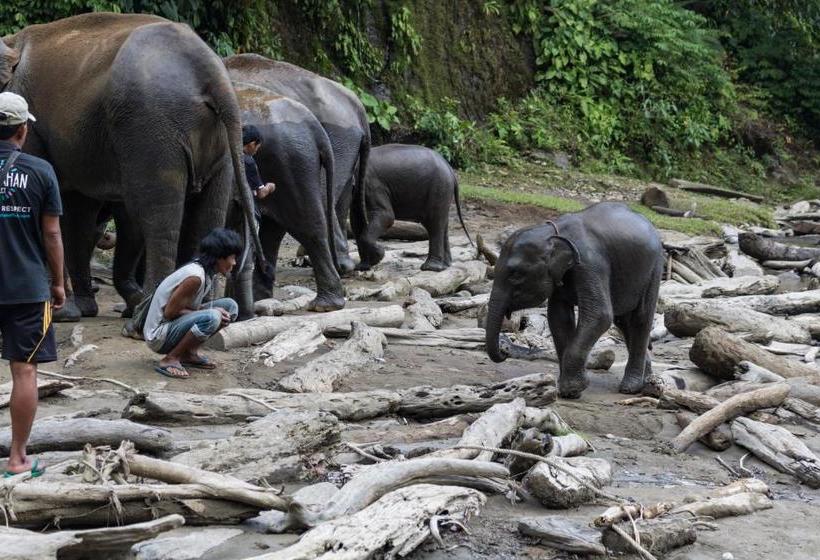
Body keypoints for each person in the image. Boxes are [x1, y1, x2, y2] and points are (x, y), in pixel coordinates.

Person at [0, 92, 64, 477]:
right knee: (24, 370)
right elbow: (52, 234)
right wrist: (59, 284)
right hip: (27, 288)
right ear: (22, 130)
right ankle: (18, 458)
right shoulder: (41, 172)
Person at [143, 228, 242, 379]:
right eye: (232, 257)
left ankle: (189, 353)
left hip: (172, 325)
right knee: (213, 317)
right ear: (219, 257)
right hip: (158, 336)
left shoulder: (206, 272)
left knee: (230, 306)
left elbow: (185, 308)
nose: (234, 262)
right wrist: (211, 312)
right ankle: (170, 359)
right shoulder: (195, 277)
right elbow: (170, 312)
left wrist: (211, 310)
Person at [242, 124, 275, 215]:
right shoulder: (249, 162)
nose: (256, 151)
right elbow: (261, 193)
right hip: (242, 207)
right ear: (252, 144)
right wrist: (270, 187)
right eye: (257, 147)